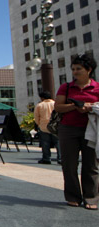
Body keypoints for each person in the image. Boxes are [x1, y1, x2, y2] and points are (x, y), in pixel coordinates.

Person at [54, 54, 99, 210]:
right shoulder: (66, 87)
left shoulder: (97, 88)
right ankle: (73, 196)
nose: (75, 72)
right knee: (69, 164)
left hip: (92, 129)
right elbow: (58, 107)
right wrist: (75, 106)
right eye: (73, 69)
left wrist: (91, 106)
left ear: (89, 69)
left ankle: (91, 197)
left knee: (91, 165)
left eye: (79, 69)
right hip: (68, 129)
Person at [34, 90, 61, 164]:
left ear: (42, 98)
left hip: (44, 126)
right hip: (55, 126)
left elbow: (36, 116)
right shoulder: (55, 103)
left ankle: (46, 158)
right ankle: (60, 158)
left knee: (45, 143)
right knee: (58, 143)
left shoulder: (39, 105)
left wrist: (38, 124)